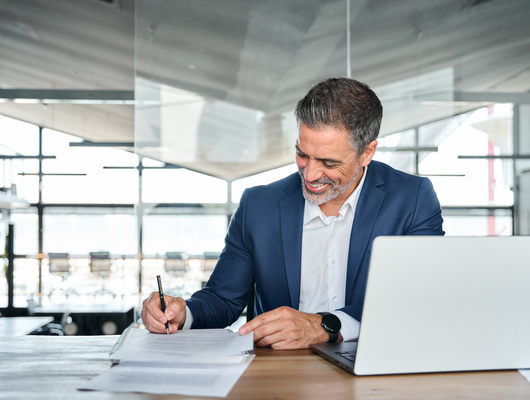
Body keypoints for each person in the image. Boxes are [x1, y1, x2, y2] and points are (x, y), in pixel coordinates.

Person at [141, 77, 444, 350]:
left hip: (377, 366)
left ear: (367, 152)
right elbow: (222, 299)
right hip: (278, 374)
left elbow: (417, 301)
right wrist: (182, 312)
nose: (310, 174)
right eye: (302, 154)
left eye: (328, 162)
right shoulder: (258, 205)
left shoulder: (412, 200)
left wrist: (323, 326)